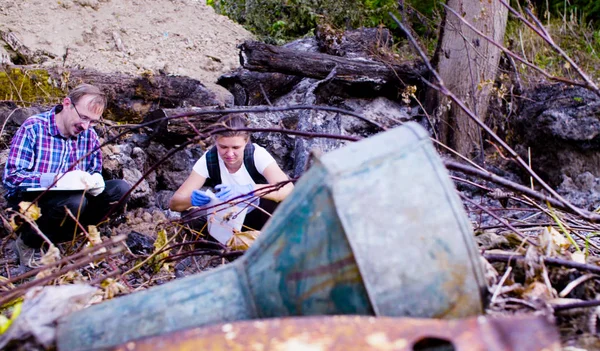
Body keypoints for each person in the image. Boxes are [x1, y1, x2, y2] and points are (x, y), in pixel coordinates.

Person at [3, 83, 131, 267]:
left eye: (93, 121)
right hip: (32, 203)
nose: (86, 126)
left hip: (73, 203)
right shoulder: (34, 127)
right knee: (74, 201)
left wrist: (95, 182)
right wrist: (54, 179)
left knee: (120, 189)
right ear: (67, 104)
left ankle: (64, 239)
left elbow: (94, 170)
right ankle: (29, 242)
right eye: (84, 117)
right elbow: (11, 177)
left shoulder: (90, 136)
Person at [170, 113, 294, 237]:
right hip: (228, 220)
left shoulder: (257, 155)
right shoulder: (209, 160)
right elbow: (175, 203)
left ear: (246, 142)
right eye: (223, 147)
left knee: (277, 201)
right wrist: (191, 200)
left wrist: (250, 189)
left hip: (261, 217)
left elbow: (289, 190)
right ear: (215, 141)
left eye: (236, 147)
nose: (229, 154)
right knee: (189, 217)